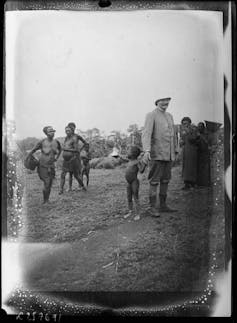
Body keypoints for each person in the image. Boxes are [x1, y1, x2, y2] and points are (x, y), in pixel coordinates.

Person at [142, 97, 178, 216]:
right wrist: (147, 150)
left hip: (169, 155)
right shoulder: (151, 115)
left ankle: (163, 205)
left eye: (168, 101)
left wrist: (175, 150)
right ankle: (152, 207)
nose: (166, 103)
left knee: (166, 180)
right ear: (157, 102)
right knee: (154, 181)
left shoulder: (170, 116)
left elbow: (174, 135)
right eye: (163, 101)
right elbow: (146, 134)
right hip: (157, 154)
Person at [28, 126, 61, 204]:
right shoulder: (42, 142)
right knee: (47, 182)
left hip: (51, 166)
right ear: (46, 133)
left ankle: (47, 200)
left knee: (49, 184)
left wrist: (57, 158)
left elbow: (60, 150)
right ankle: (44, 200)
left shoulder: (56, 142)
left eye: (53, 131)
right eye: (50, 131)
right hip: (42, 166)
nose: (52, 132)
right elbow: (32, 150)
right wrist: (32, 159)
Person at [59, 126, 86, 194]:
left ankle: (82, 186)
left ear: (72, 131)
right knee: (63, 174)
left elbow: (76, 150)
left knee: (76, 176)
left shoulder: (74, 138)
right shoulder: (66, 138)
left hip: (72, 160)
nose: (67, 131)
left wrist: (65, 149)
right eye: (66, 130)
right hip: (66, 160)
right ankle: (61, 190)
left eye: (68, 130)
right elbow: (65, 147)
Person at [124, 146, 146, 221]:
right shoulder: (129, 160)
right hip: (128, 182)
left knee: (135, 197)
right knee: (129, 197)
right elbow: (124, 159)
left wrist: (144, 163)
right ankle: (130, 211)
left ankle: (138, 214)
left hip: (134, 182)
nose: (127, 152)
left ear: (133, 153)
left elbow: (141, 170)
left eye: (129, 151)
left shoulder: (137, 162)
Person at [180, 117, 200, 190]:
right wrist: (181, 142)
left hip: (192, 150)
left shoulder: (194, 129)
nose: (184, 125)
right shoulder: (183, 130)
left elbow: (194, 139)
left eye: (186, 123)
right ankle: (186, 184)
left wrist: (188, 132)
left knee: (192, 166)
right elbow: (182, 140)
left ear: (189, 122)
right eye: (183, 123)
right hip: (185, 150)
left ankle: (193, 183)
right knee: (185, 167)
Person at [67, 122, 88, 190]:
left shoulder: (77, 136)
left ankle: (80, 186)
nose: (72, 128)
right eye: (70, 127)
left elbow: (85, 143)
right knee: (70, 172)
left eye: (73, 127)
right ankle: (70, 187)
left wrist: (80, 149)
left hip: (77, 156)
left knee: (78, 172)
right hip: (70, 157)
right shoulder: (67, 137)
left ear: (74, 128)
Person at [196, 122, 211, 187]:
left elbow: (207, 142)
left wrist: (200, 136)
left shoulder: (206, 134)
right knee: (199, 167)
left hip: (205, 152)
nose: (199, 128)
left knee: (206, 168)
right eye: (198, 127)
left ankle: (206, 183)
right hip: (199, 152)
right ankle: (200, 182)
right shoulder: (197, 134)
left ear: (203, 127)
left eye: (200, 127)